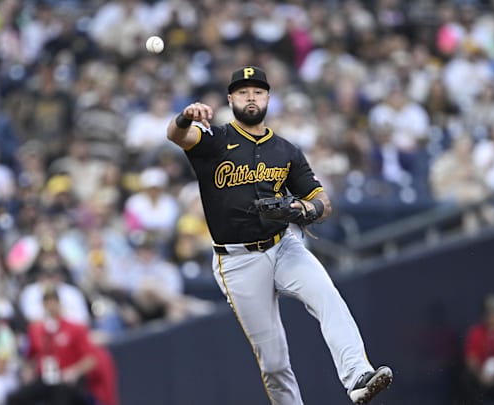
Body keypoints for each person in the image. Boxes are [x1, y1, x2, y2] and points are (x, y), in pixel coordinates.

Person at [166, 66, 393, 405]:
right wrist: (185, 117)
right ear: (231, 99)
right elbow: (176, 136)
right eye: (243, 92)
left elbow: (321, 200)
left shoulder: (285, 150)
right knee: (273, 362)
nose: (251, 97)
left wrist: (305, 211)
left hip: (284, 245)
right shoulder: (214, 140)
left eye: (257, 91)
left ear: (268, 98)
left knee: (327, 296)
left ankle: (357, 376)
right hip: (238, 261)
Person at [6, 287, 97, 405]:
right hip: (46, 378)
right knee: (14, 398)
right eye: (47, 302)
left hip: (67, 380)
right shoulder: (36, 329)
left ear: (59, 303)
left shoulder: (75, 328)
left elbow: (91, 359)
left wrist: (74, 371)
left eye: (53, 301)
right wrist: (27, 371)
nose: (50, 305)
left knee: (60, 394)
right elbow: (30, 357)